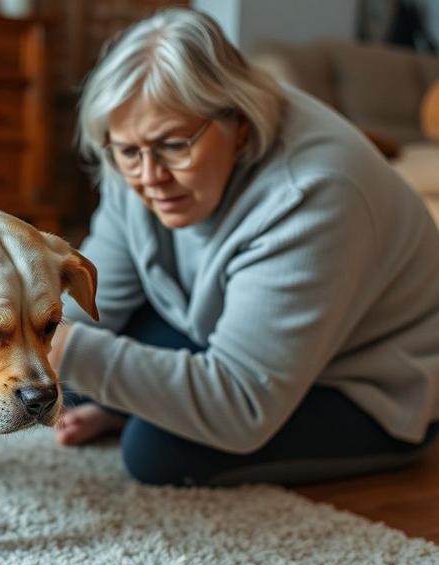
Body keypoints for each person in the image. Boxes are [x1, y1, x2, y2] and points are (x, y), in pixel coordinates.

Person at [48, 8, 439, 486]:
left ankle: (133, 412)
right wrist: (44, 338)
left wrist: (67, 352)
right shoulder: (133, 154)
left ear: (240, 127)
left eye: (174, 146)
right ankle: (127, 404)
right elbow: (95, 302)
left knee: (156, 451)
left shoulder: (314, 192)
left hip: (364, 384)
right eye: (128, 152)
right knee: (61, 375)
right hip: (234, 334)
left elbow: (243, 405)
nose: (150, 178)